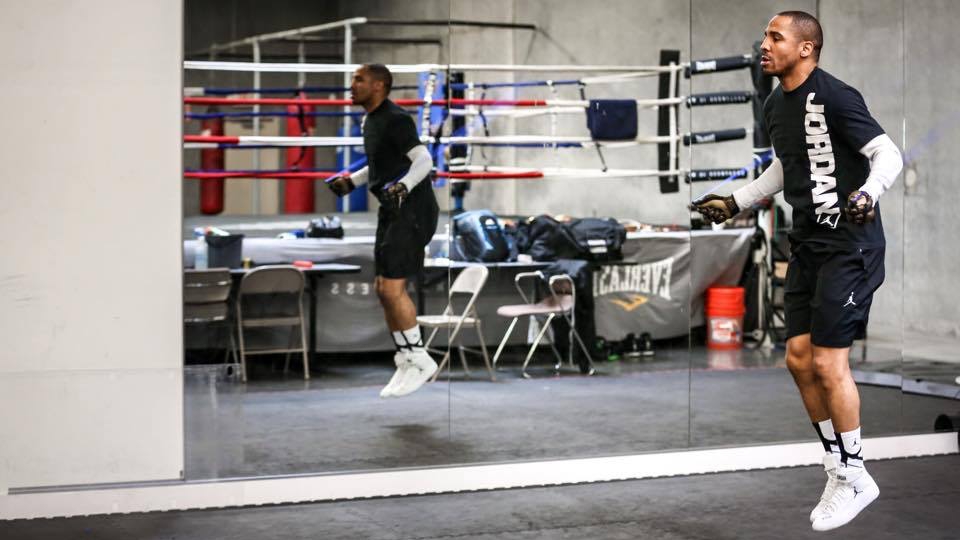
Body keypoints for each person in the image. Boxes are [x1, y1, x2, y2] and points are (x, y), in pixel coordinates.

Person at [692, 11, 903, 532]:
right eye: (766, 36)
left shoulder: (837, 96)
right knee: (797, 358)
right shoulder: (774, 103)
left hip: (849, 247)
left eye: (775, 37)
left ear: (806, 48)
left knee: (830, 364)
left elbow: (887, 153)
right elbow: (788, 166)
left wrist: (867, 193)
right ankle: (840, 467)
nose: (764, 45)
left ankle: (854, 473)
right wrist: (736, 201)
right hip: (807, 244)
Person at [327, 63, 440, 398]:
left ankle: (421, 360)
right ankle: (406, 359)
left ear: (379, 86)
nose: (352, 86)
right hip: (392, 211)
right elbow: (379, 166)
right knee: (382, 288)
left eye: (359, 80)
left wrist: (403, 187)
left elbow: (424, 161)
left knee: (392, 290)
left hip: (412, 212)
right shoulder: (370, 120)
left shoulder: (396, 119)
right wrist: (353, 181)